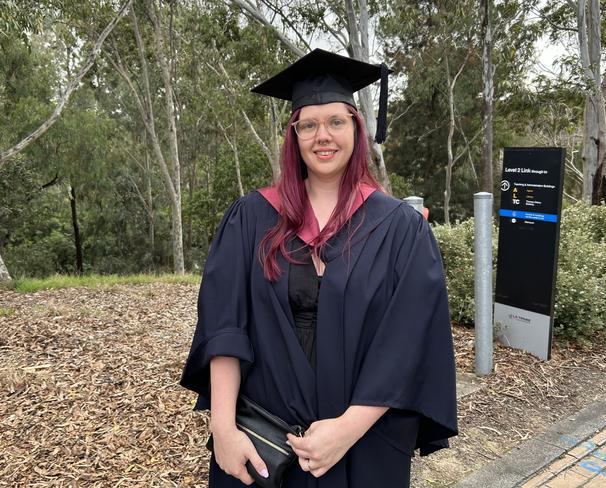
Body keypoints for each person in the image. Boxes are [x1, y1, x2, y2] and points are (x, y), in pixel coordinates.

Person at [180, 48, 457, 488]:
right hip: (264, 440)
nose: (322, 136)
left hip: (362, 441)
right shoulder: (250, 218)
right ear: (293, 135)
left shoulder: (400, 229)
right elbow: (224, 328)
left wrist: (345, 431)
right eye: (308, 124)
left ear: (356, 129)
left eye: (336, 122)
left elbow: (407, 344)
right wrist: (224, 430)